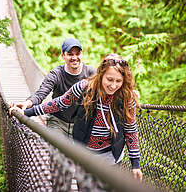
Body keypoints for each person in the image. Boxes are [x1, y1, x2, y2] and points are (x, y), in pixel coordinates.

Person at [10, 53, 143, 182]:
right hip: (83, 154)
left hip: (111, 158)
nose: (113, 85)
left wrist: (135, 164)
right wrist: (26, 112)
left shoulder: (126, 98)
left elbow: (130, 130)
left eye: (118, 81)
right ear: (101, 75)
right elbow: (58, 103)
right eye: (109, 79)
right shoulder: (85, 88)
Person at [9, 38, 96, 137]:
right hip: (57, 122)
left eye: (77, 54)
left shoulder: (91, 73)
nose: (74, 57)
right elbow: (41, 94)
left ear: (82, 54)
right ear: (63, 55)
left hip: (80, 125)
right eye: (70, 54)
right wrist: (27, 103)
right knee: (56, 149)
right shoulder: (56, 74)